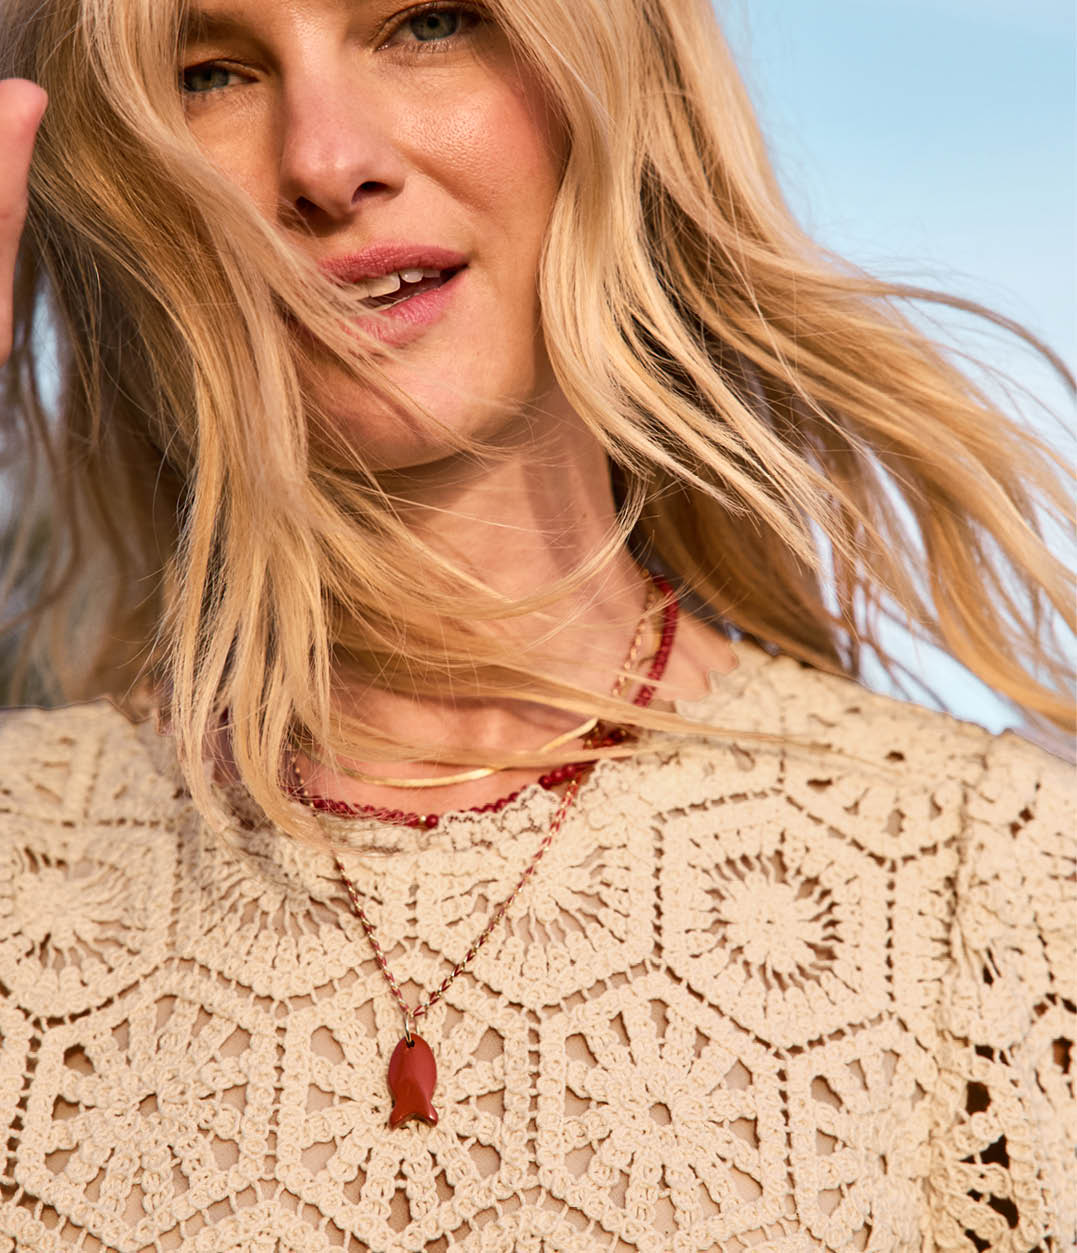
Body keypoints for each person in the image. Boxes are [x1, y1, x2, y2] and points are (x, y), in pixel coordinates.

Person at [0, 0, 1072, 1247]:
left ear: (616, 77)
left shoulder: (981, 884)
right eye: (212, 72)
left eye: (426, 24)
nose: (327, 163)